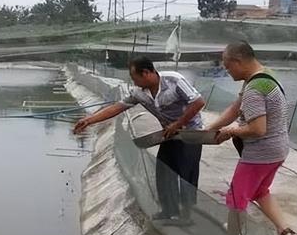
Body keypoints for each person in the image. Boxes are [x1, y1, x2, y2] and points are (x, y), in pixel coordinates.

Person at [73, 57, 205, 224]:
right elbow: (117, 107)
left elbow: (198, 102)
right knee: (164, 170)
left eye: (135, 77)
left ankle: (186, 216)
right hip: (170, 135)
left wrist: (178, 123)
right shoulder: (139, 93)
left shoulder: (175, 80)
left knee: (186, 173)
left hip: (190, 133)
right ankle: (168, 210)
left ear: (146, 73)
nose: (134, 82)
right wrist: (89, 120)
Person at [208, 41, 297, 235]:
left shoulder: (254, 89)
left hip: (260, 152)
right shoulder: (263, 76)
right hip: (278, 149)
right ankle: (285, 231)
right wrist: (210, 129)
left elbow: (258, 129)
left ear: (238, 61)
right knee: (260, 190)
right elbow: (236, 109)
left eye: (228, 67)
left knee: (236, 198)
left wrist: (230, 131)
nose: (227, 71)